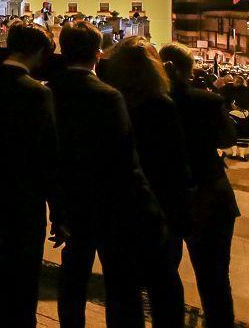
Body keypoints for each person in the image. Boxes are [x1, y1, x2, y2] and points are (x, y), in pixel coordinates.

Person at [47, 21, 164, 328]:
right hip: (113, 205)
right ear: (98, 55)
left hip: (72, 204)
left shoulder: (48, 92)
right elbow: (125, 157)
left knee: (72, 280)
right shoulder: (109, 96)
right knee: (121, 284)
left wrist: (58, 210)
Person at [0, 21, 64, 328]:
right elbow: (48, 156)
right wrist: (60, 212)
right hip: (23, 203)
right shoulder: (36, 93)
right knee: (22, 290)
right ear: (38, 53)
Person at [101, 37, 191, 327]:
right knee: (164, 284)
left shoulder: (110, 102)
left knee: (120, 289)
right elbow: (176, 165)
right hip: (159, 208)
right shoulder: (162, 106)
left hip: (117, 209)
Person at [160, 43, 240, 328]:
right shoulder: (207, 101)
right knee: (215, 280)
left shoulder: (151, 103)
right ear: (188, 69)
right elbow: (228, 139)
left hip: (166, 197)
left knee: (165, 277)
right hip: (210, 194)